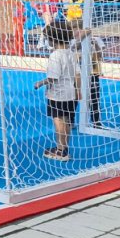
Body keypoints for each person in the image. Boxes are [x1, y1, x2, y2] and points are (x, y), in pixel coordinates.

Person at [34, 23, 78, 161]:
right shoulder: (71, 53)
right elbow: (77, 73)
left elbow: (53, 77)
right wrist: (78, 90)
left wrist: (40, 83)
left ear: (52, 39)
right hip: (70, 93)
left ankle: (60, 151)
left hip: (57, 95)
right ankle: (64, 148)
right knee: (67, 121)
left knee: (59, 121)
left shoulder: (55, 55)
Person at [69, 20, 104, 127]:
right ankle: (70, 120)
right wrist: (83, 37)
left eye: (76, 30)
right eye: (72, 30)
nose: (74, 32)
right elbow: (73, 48)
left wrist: (95, 44)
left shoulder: (96, 39)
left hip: (93, 73)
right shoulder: (72, 41)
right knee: (74, 97)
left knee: (94, 98)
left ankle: (96, 122)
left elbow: (100, 56)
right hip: (77, 74)